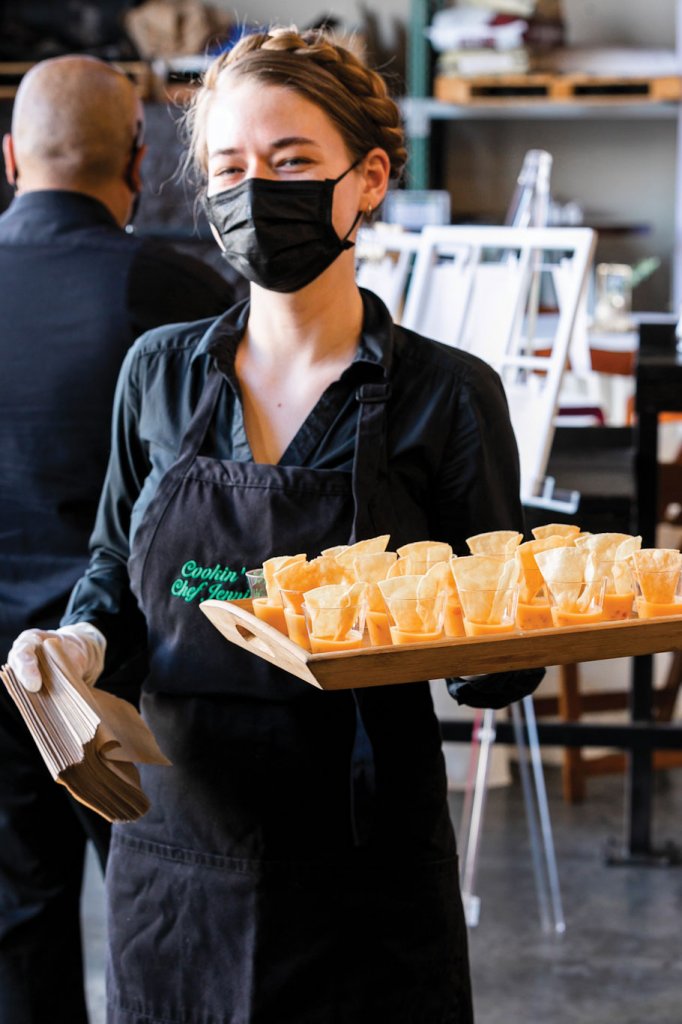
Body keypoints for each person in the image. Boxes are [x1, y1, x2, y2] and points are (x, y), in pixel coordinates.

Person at [8, 30, 539, 1023]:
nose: (257, 192)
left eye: (292, 163)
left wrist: (492, 641)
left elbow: (496, 659)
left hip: (362, 851)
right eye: (229, 167)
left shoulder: (445, 397)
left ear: (368, 176)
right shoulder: (156, 374)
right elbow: (116, 573)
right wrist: (78, 643)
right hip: (176, 847)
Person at [0, 54, 236, 1024]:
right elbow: (229, 501)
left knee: (17, 924)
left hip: (1, 675)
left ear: (9, 157)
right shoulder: (180, 291)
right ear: (140, 163)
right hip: (136, 678)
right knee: (172, 922)